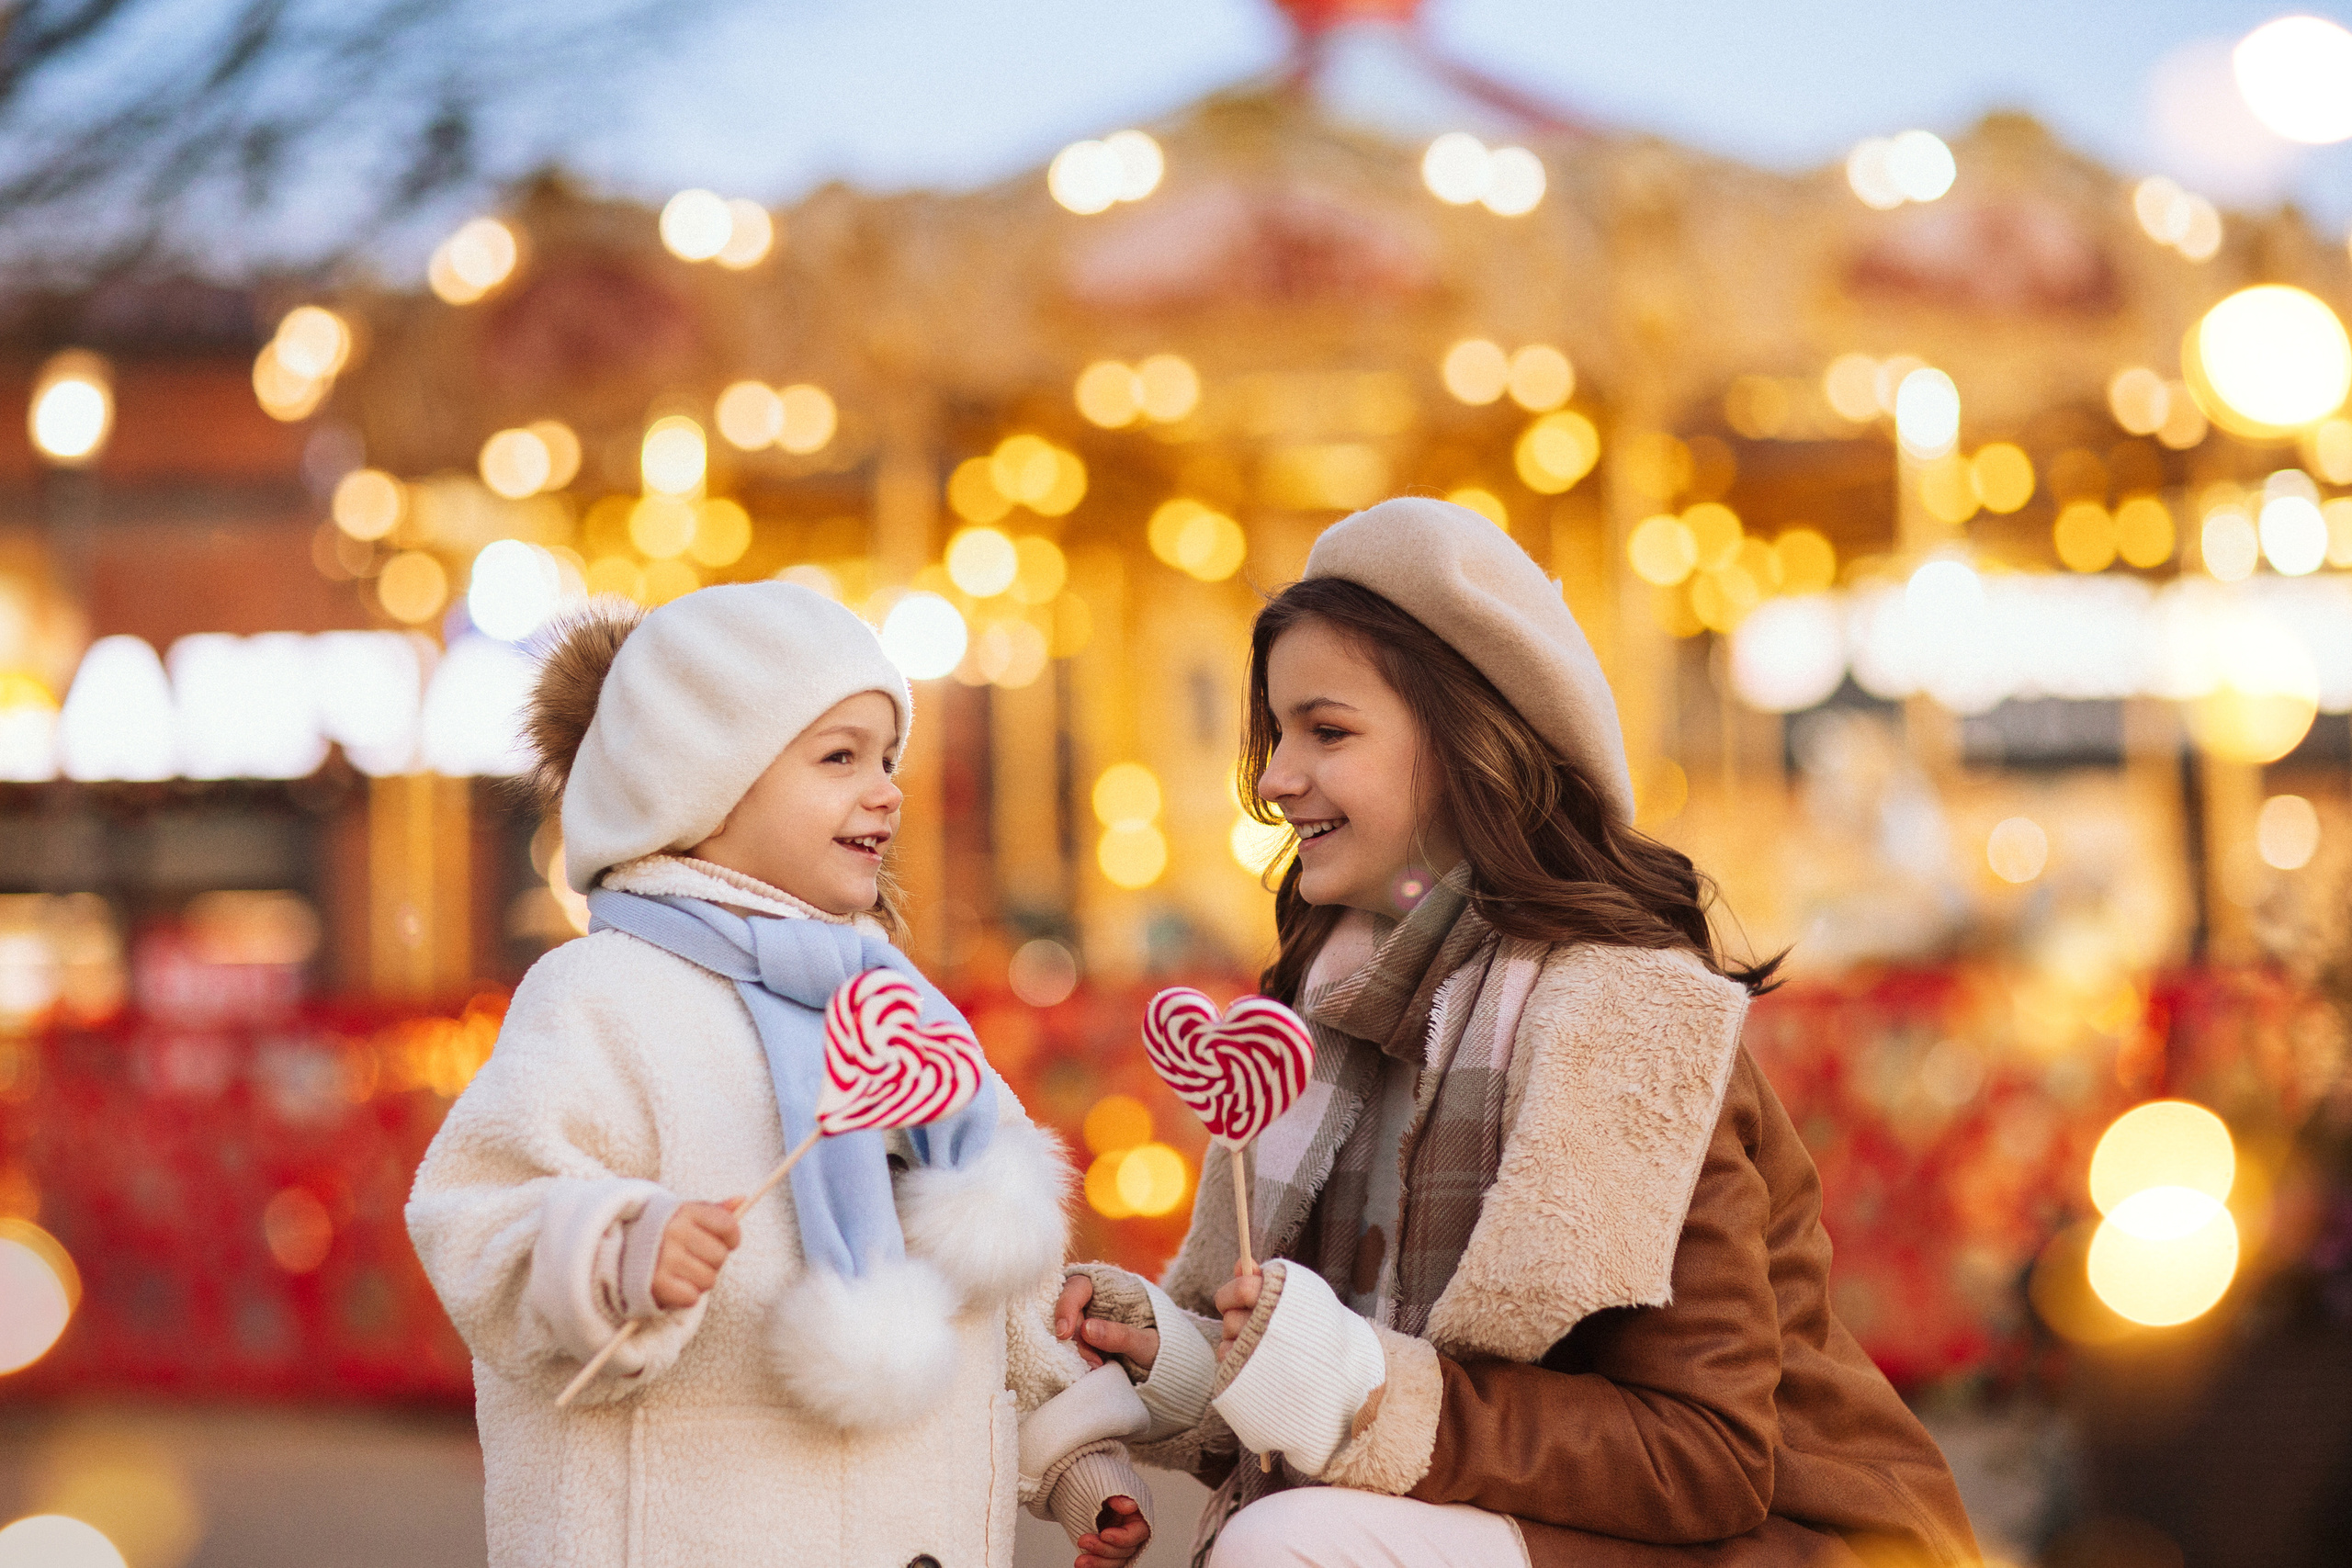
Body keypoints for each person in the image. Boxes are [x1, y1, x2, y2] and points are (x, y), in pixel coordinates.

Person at [1054, 499, 1979, 1568]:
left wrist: (1356, 1386)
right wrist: (1175, 1356)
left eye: (1328, 731)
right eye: (1277, 734)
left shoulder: (1620, 1018)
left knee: (1295, 1546)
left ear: (1465, 743)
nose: (1274, 780)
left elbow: (1711, 1458)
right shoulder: (1331, 1021)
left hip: (1794, 1543)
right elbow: (1329, 1385)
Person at [408, 582, 1151, 1568]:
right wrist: (620, 1248)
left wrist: (1078, 1467)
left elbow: (1007, 1291)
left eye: (888, 757)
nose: (886, 788)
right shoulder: (600, 996)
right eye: (838, 757)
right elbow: (474, 1215)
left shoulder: (899, 1009)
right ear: (701, 779)